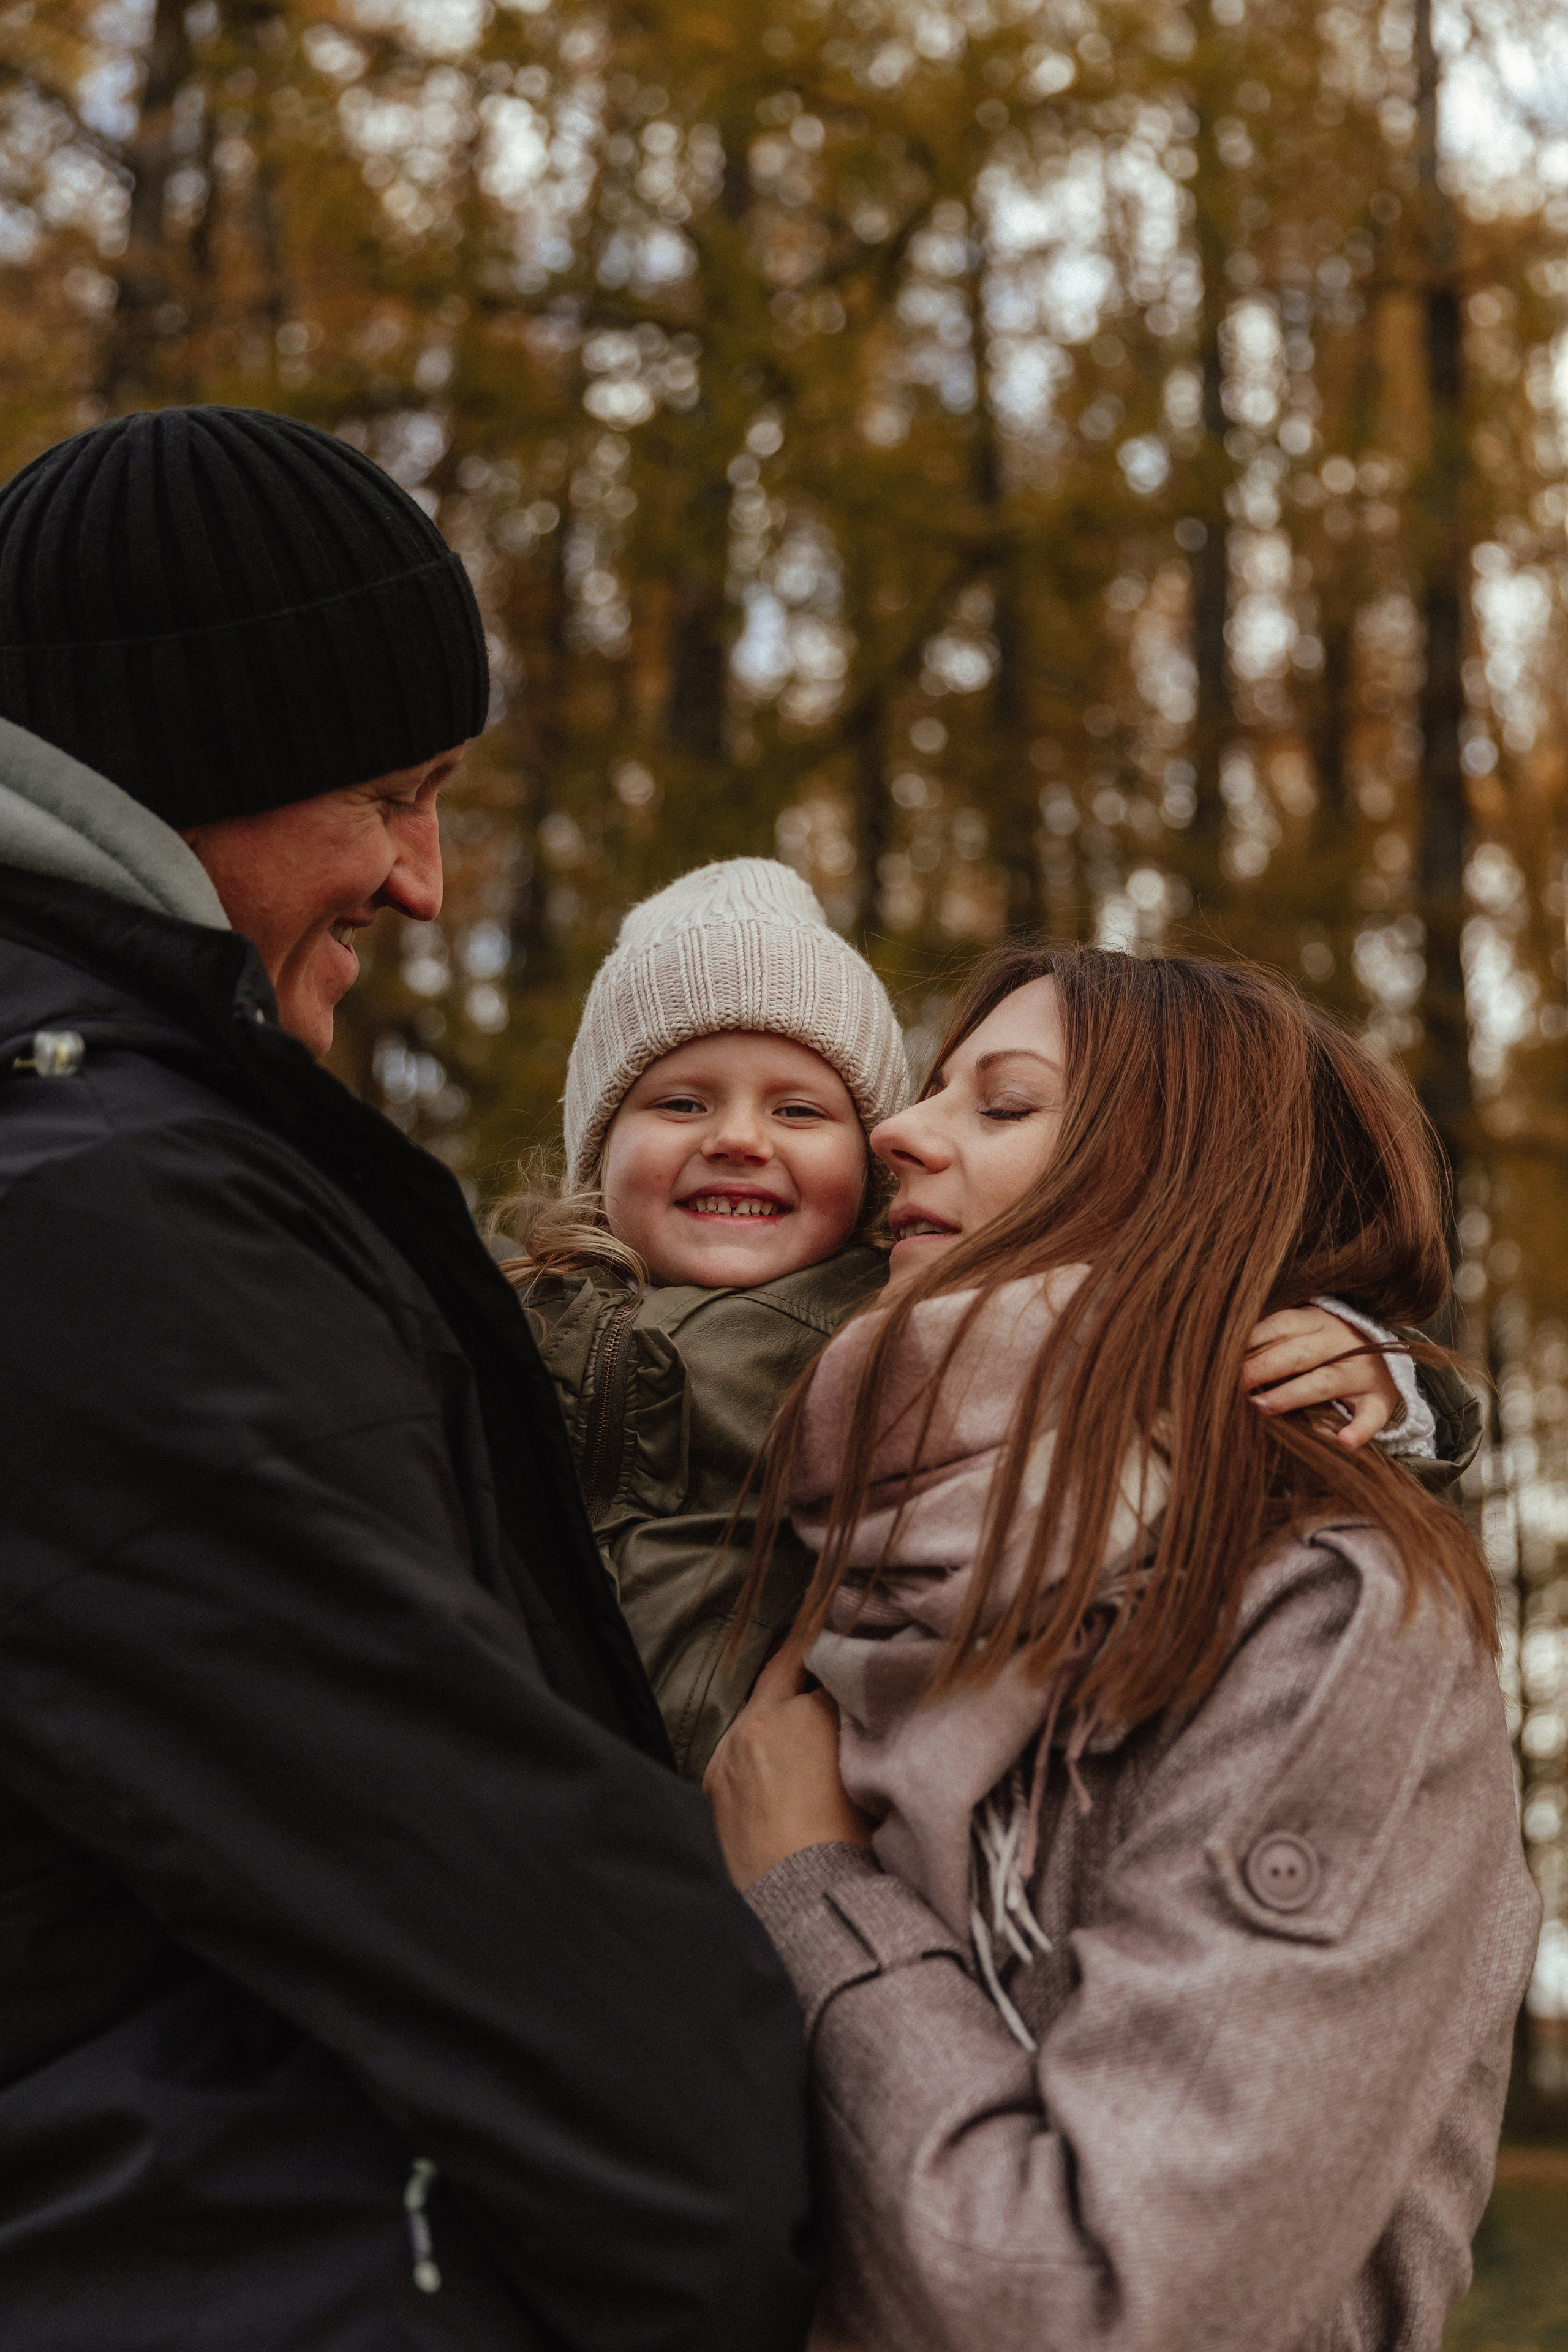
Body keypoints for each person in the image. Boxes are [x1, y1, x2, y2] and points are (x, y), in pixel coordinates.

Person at [0, 407, 813, 2352]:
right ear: (198, 762)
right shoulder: (99, 1213)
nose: (425, 882)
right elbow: (471, 1874)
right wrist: (752, 2245)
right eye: (390, 792)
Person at [706, 942, 1539, 2352]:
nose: (894, 1132)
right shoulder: (836, 1543)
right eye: (928, 1092)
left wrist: (809, 1889)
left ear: (1177, 1184)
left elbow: (1086, 2302)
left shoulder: (1322, 1621)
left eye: (1001, 1105)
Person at [502, 859, 1478, 1779]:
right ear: (597, 1145)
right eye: (675, 1103)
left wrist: (1388, 1379)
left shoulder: (891, 1319)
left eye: (803, 1113)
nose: (740, 1138)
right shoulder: (508, 1316)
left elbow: (1190, 1347)